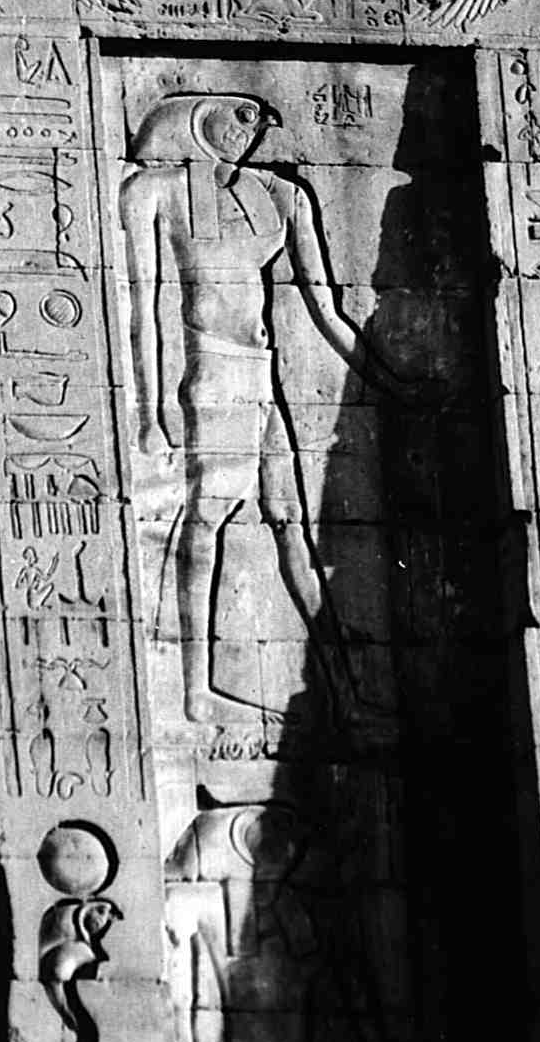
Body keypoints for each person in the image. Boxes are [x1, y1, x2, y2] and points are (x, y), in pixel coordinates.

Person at [120, 91, 417, 726]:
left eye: (257, 122)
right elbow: (142, 307)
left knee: (290, 525)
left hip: (260, 373)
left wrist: (391, 383)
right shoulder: (157, 190)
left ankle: (345, 695)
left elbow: (326, 309)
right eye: (238, 116)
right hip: (213, 374)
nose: (247, 133)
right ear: (200, 116)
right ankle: (196, 690)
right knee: (208, 519)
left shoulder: (282, 195)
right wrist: (149, 413)